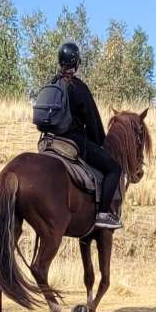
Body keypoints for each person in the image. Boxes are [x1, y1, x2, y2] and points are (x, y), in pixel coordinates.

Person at [49, 42, 124, 229]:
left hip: (49, 141)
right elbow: (92, 120)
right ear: (76, 62)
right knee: (114, 169)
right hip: (73, 141)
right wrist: (99, 142)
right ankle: (103, 214)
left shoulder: (52, 83)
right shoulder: (78, 86)